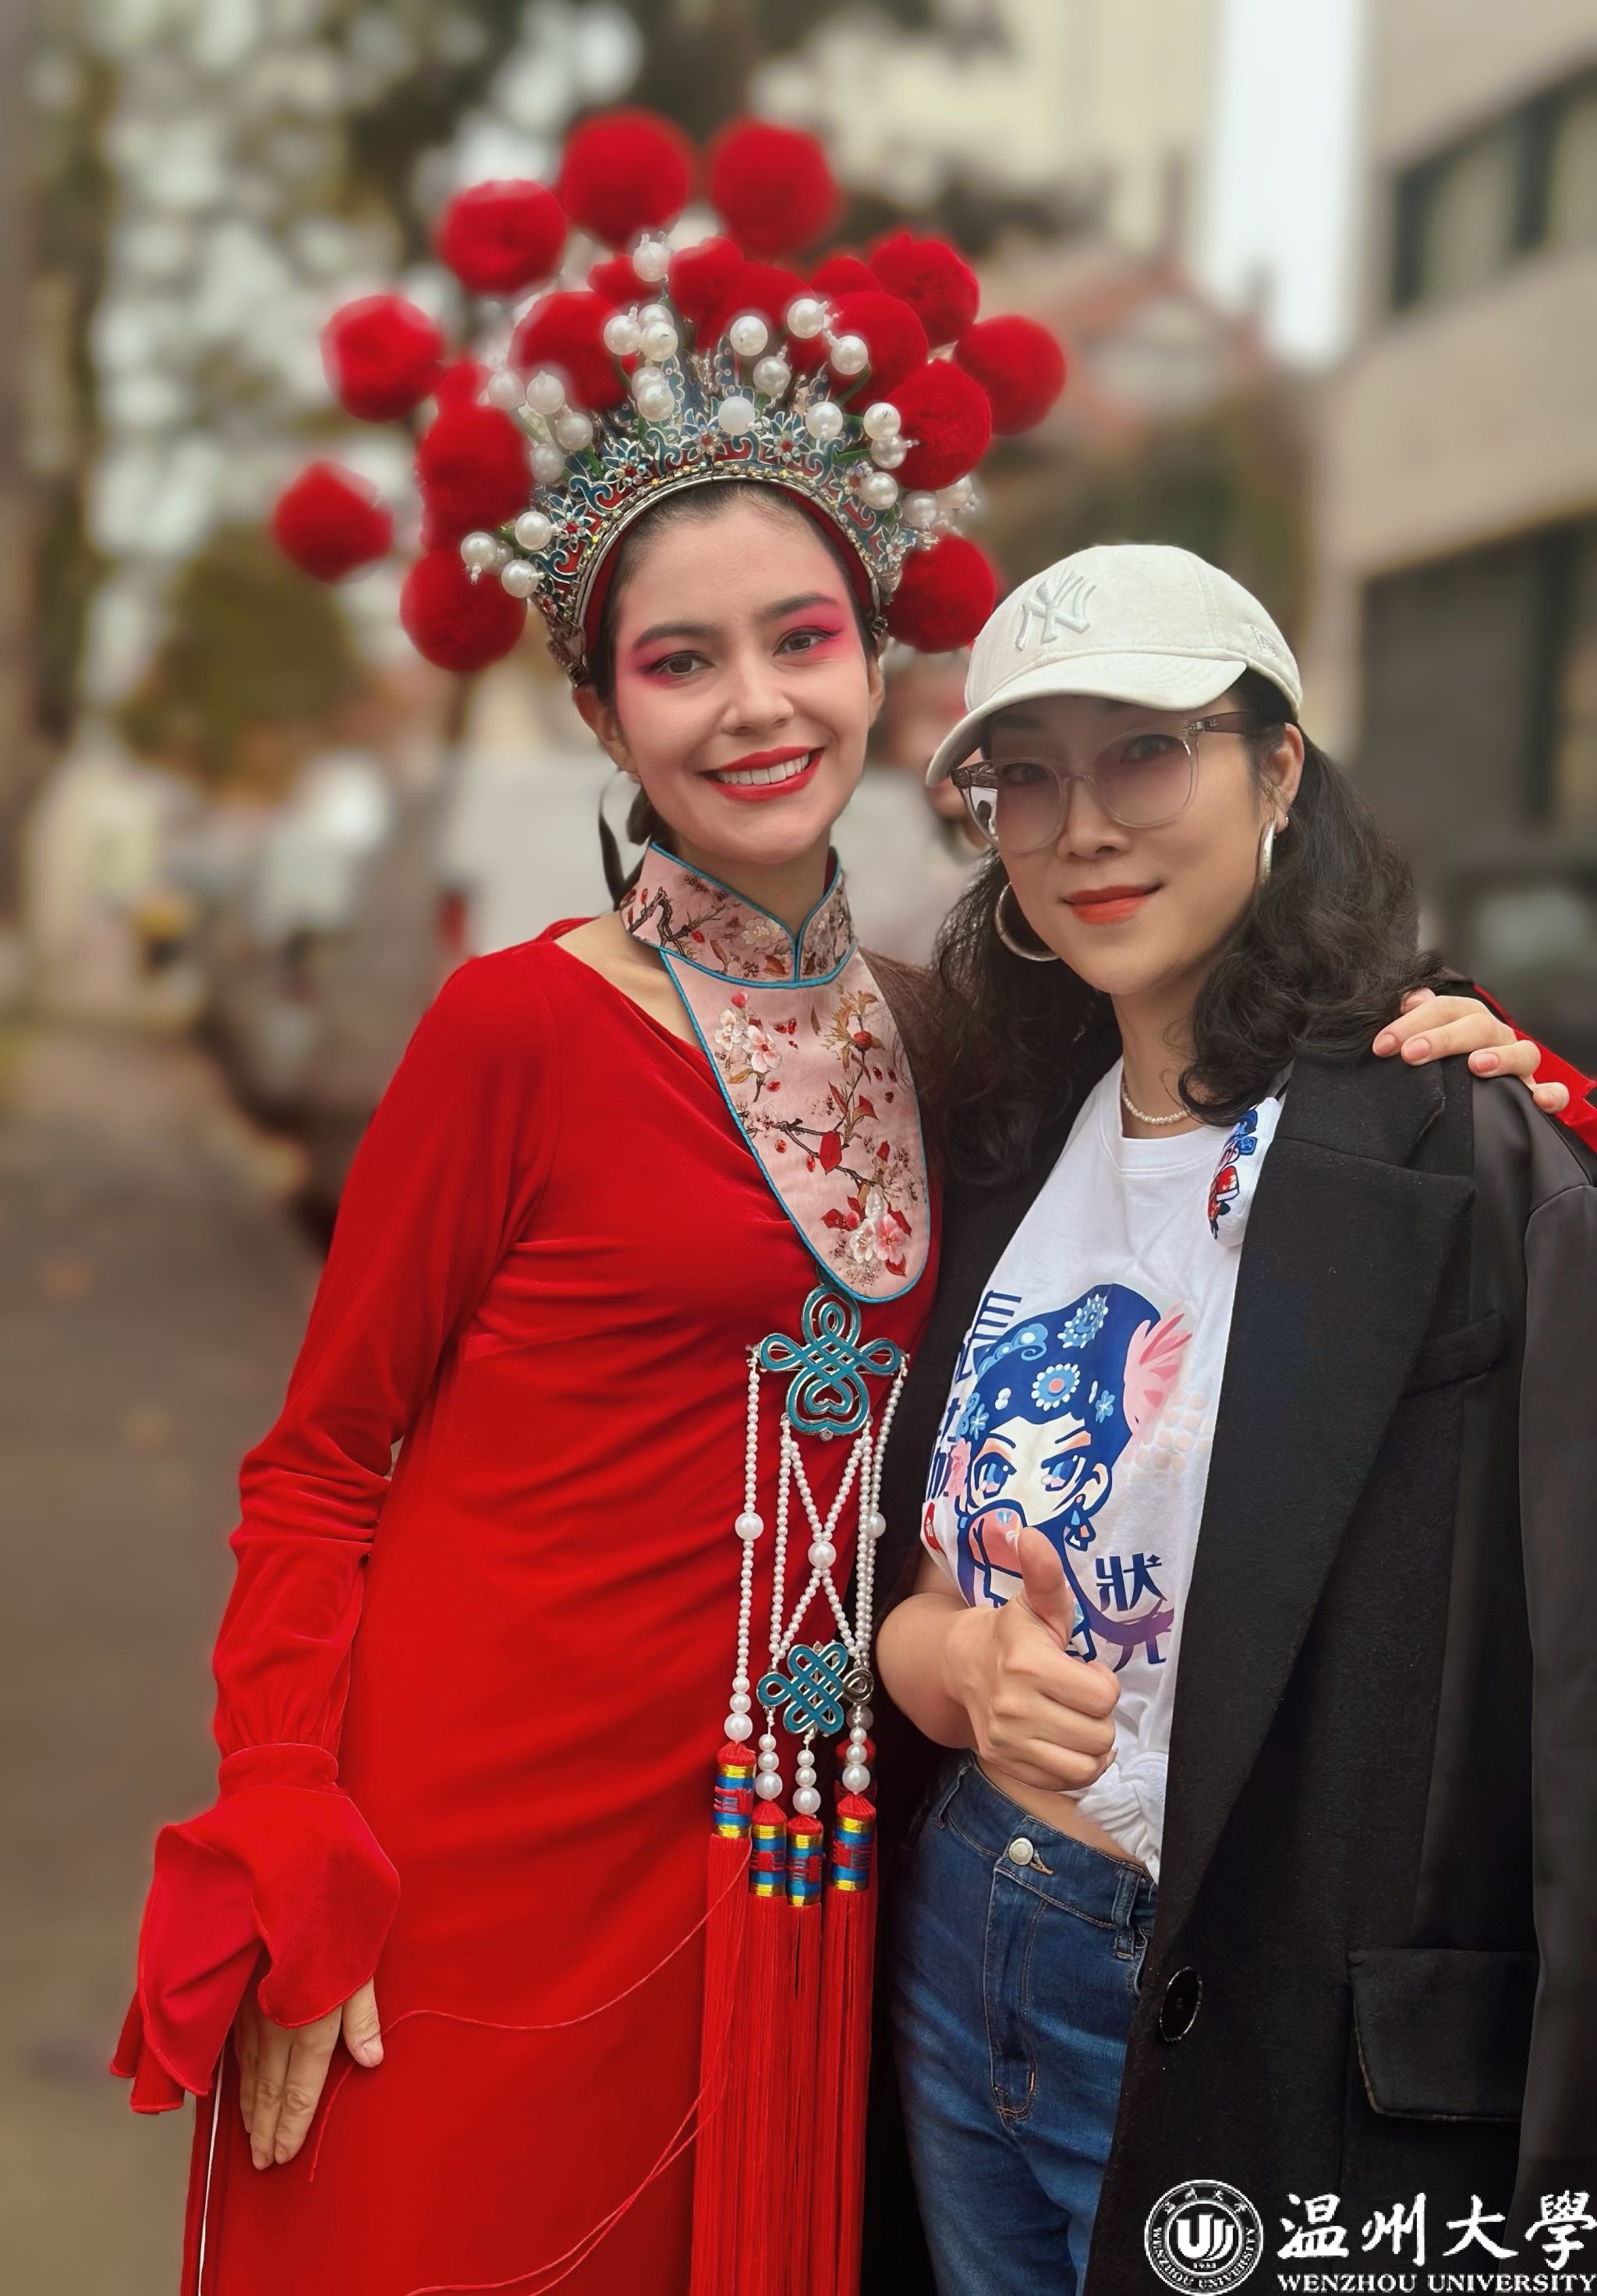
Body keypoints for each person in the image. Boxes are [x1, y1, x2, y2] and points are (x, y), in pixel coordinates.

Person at [115, 113, 1561, 2296]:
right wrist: (290, 1810)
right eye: (678, 661)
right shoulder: (514, 1027)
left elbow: (1218, 1133)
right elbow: (320, 1465)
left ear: (880, 664)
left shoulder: (964, 1044)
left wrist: (1505, 1075)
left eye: (798, 637)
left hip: (800, 1878)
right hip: (472, 1851)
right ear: (597, 707)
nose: (754, 706)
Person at [873, 544, 1597, 2296]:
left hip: (1264, 2020)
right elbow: (915, 1586)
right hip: (967, 1948)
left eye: (1145, 752)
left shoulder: (1443, 1145)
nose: (1082, 828)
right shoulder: (995, 1135)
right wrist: (957, 1668)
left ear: (1277, 768)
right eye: (1024, 777)